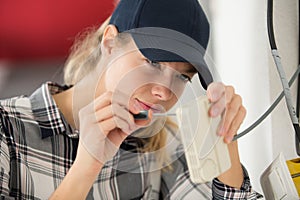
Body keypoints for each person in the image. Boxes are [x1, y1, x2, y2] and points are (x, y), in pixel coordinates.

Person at [0, 0, 262, 199]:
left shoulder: (164, 151)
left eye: (183, 77)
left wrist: (224, 140)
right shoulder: (6, 128)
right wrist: (85, 169)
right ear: (110, 42)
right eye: (152, 62)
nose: (164, 92)